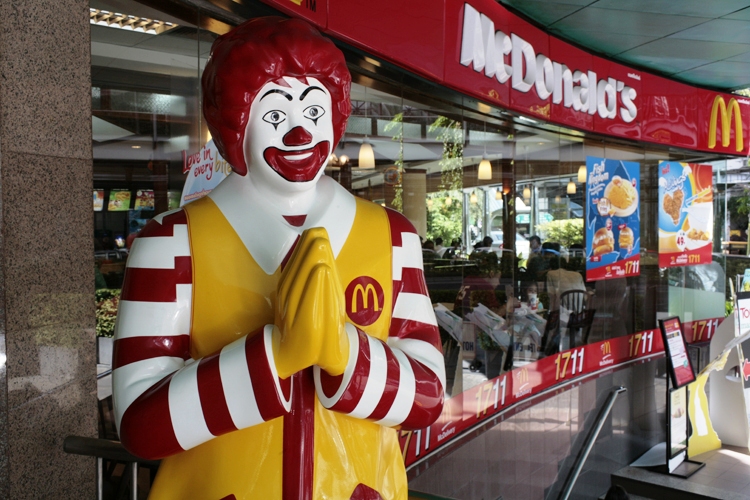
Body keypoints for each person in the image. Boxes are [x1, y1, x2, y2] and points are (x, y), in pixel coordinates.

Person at [112, 17, 444, 500]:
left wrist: (344, 355)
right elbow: (140, 424)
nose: (299, 133)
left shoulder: (394, 237)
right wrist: (273, 358)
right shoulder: (171, 243)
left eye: (314, 111)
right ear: (235, 124)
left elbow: (429, 396)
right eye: (273, 116)